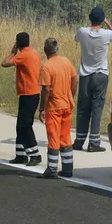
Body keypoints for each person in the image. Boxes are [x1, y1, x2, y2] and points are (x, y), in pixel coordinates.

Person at [73, 5, 112, 152]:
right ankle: (94, 143)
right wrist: (109, 23)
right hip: (101, 75)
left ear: (90, 18)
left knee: (83, 108)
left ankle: (79, 140)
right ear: (102, 20)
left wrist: (91, 25)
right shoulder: (107, 34)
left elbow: (77, 37)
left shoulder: (82, 31)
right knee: (97, 109)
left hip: (85, 75)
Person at [38, 37, 78, 179]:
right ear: (57, 48)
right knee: (65, 137)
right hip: (67, 105)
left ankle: (52, 168)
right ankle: (68, 168)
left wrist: (42, 108)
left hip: (54, 107)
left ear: (45, 50)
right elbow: (75, 80)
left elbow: (46, 90)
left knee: (53, 137)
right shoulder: (66, 61)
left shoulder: (46, 66)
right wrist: (70, 96)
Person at [1, 32, 42, 166]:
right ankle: (21, 154)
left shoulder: (23, 55)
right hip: (32, 93)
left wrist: (13, 52)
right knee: (20, 124)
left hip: (28, 94)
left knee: (24, 126)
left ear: (18, 44)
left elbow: (5, 63)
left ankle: (35, 154)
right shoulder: (34, 53)